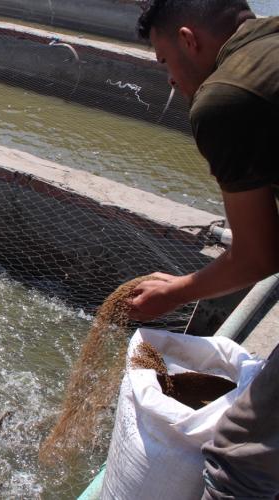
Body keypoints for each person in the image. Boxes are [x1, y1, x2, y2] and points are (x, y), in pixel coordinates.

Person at [129, 0, 279, 498]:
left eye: (165, 61)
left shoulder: (224, 99)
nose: (170, 80)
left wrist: (175, 292)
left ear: (190, 39)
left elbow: (259, 256)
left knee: (238, 457)